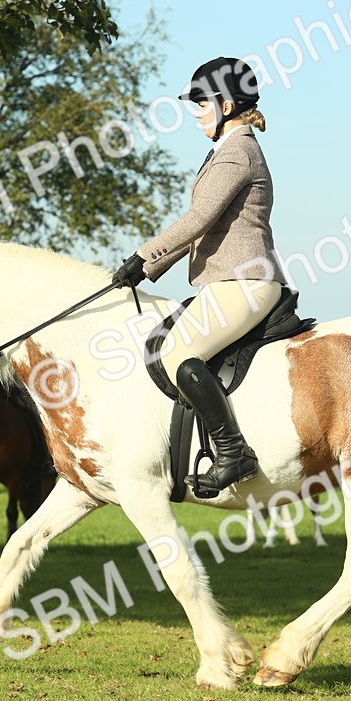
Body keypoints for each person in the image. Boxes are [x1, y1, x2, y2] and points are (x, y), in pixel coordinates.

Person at [111, 56, 286, 496]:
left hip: (244, 283)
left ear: (226, 105)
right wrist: (151, 268)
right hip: (227, 283)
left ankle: (233, 452)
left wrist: (143, 255)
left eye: (201, 103)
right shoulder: (226, 150)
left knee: (177, 356)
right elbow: (204, 227)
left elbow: (199, 218)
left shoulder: (237, 153)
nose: (194, 112)